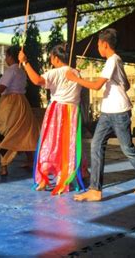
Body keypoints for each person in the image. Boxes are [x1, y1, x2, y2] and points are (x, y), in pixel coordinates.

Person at [66, 29, 135, 202]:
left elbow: (97, 86)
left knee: (127, 148)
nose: (98, 47)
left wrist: (74, 78)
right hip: (108, 111)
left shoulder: (112, 61)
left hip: (119, 112)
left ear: (105, 44)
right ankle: (95, 190)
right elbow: (126, 85)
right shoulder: (116, 61)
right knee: (96, 145)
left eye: (98, 44)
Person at [19, 45, 86, 195]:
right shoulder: (76, 73)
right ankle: (66, 176)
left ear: (56, 58)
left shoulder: (55, 72)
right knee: (68, 145)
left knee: (50, 144)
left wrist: (25, 63)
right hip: (73, 112)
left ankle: (44, 178)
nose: (51, 60)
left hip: (58, 112)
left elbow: (37, 80)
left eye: (51, 57)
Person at [0, 45, 40, 176]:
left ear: (10, 57)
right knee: (24, 132)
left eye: (6, 56)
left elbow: (1, 88)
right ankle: (30, 160)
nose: (5, 58)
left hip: (11, 105)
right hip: (23, 103)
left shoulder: (11, 70)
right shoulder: (22, 71)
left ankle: (4, 167)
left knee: (6, 133)